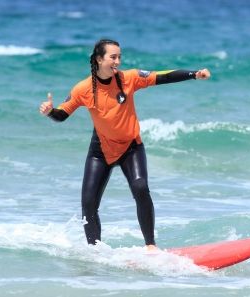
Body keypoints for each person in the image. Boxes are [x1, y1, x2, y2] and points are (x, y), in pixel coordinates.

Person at [39, 39, 210, 250]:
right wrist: (50, 112)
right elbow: (61, 115)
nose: (117, 61)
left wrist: (193, 74)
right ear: (99, 59)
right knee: (89, 204)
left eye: (119, 56)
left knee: (140, 187)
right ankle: (95, 251)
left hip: (131, 147)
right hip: (100, 151)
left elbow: (162, 75)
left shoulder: (129, 78)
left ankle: (150, 246)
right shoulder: (83, 89)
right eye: (113, 57)